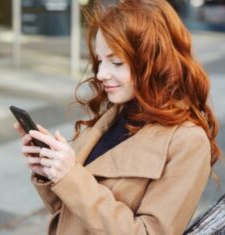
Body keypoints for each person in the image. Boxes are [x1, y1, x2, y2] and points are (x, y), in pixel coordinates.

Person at [13, 0, 222, 234]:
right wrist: (49, 172)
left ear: (155, 61)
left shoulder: (188, 142)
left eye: (116, 62)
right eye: (101, 60)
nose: (101, 74)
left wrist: (70, 175)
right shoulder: (116, 113)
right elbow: (70, 214)